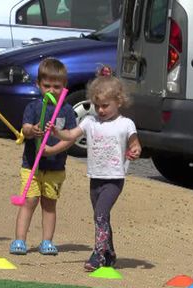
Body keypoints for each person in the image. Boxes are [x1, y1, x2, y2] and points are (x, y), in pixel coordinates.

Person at [48, 66, 141, 271]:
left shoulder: (126, 124)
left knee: (100, 214)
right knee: (102, 216)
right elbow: (71, 135)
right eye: (96, 105)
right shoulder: (90, 121)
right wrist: (56, 131)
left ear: (119, 101)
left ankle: (98, 254)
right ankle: (110, 253)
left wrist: (134, 151)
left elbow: (135, 145)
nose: (100, 110)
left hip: (114, 179)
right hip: (95, 177)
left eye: (105, 106)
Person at [9, 58, 77, 256]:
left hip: (55, 167)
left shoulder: (66, 110)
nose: (51, 90)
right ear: (38, 85)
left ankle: (47, 241)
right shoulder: (33, 107)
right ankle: (19, 240)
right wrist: (33, 130)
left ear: (64, 87)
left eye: (57, 86)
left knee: (49, 204)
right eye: (46, 86)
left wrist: (51, 150)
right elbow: (26, 128)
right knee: (29, 201)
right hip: (31, 165)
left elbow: (70, 138)